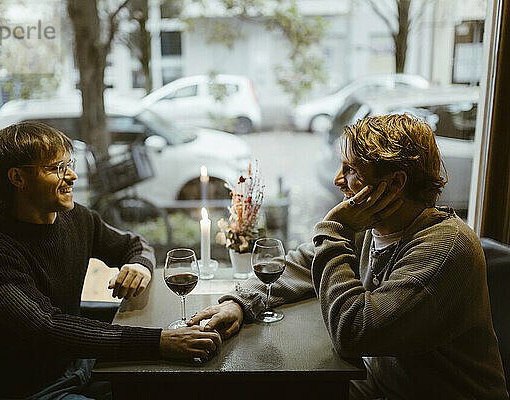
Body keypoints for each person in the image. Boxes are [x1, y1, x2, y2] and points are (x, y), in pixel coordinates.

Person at [190, 114, 508, 399]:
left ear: (396, 183)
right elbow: (302, 263)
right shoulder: (371, 226)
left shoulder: (444, 249)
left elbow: (354, 333)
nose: (337, 180)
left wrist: (334, 229)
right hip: (379, 387)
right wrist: (240, 302)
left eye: (352, 170)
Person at [0, 122, 221, 399]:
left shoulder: (76, 218)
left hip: (78, 363)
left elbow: (135, 244)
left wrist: (138, 265)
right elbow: (45, 327)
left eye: (68, 164)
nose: (72, 176)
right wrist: (157, 342)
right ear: (17, 177)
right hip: (26, 387)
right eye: (56, 168)